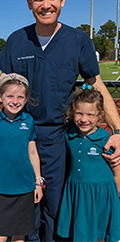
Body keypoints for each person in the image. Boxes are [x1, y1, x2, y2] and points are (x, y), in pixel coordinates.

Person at [0, 0, 120, 242]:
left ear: (63, 0)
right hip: (22, 135)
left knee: (55, 204)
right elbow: (2, 84)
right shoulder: (17, 40)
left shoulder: (78, 41)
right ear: (29, 3)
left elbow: (97, 85)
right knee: (26, 204)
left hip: (57, 138)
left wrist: (119, 130)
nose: (46, 4)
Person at [0, 73, 43, 242]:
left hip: (25, 189)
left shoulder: (28, 121)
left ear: (26, 99)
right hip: (2, 190)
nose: (15, 101)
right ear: (0, 97)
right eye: (10, 96)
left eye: (20, 97)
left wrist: (38, 182)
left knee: (19, 236)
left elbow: (33, 153)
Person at [57, 84, 120, 241]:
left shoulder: (106, 139)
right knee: (80, 234)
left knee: (99, 234)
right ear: (73, 113)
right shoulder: (69, 136)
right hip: (77, 193)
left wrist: (111, 197)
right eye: (79, 113)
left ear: (100, 116)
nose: (84, 119)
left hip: (101, 196)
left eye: (90, 115)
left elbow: (117, 171)